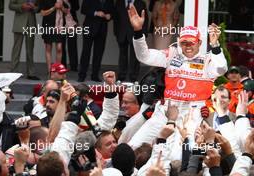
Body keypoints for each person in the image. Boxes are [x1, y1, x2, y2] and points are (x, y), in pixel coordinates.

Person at [127, 5, 227, 148]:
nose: (187, 46)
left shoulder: (208, 60)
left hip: (192, 114)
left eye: (191, 42)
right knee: (134, 146)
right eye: (184, 42)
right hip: (166, 111)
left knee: (178, 157)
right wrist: (138, 31)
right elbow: (144, 56)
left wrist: (215, 45)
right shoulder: (172, 54)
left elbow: (222, 68)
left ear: (199, 43)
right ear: (179, 42)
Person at [78, 0, 114, 82]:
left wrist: (110, 16)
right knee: (86, 52)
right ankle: (82, 75)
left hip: (102, 29)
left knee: (98, 53)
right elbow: (83, 10)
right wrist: (95, 13)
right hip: (89, 27)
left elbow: (113, 11)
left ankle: (95, 75)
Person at [113, 0, 148, 82]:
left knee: (135, 56)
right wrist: (116, 32)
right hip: (122, 33)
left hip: (135, 33)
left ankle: (133, 76)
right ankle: (121, 75)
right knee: (122, 55)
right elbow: (116, 19)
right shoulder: (119, 2)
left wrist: (143, 33)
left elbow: (145, 20)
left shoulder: (141, 3)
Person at [9, 0, 40, 80]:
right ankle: (13, 72)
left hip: (31, 23)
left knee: (30, 49)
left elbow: (38, 8)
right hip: (19, 23)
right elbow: (11, 6)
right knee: (17, 49)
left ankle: (31, 73)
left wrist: (34, 8)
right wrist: (21, 6)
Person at [39, 0, 70, 73]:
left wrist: (61, 7)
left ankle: (57, 70)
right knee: (48, 47)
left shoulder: (63, 1)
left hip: (59, 26)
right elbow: (43, 13)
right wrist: (54, 8)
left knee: (59, 48)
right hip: (48, 25)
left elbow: (67, 12)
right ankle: (50, 71)